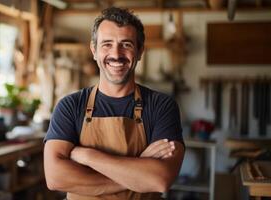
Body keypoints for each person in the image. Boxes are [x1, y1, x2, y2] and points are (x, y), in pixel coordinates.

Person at [44, 7, 185, 200]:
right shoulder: (70, 106)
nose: (116, 54)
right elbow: (55, 178)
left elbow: (160, 179)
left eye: (126, 44)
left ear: (140, 50)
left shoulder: (161, 106)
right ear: (94, 50)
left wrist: (88, 157)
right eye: (107, 44)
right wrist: (136, 175)